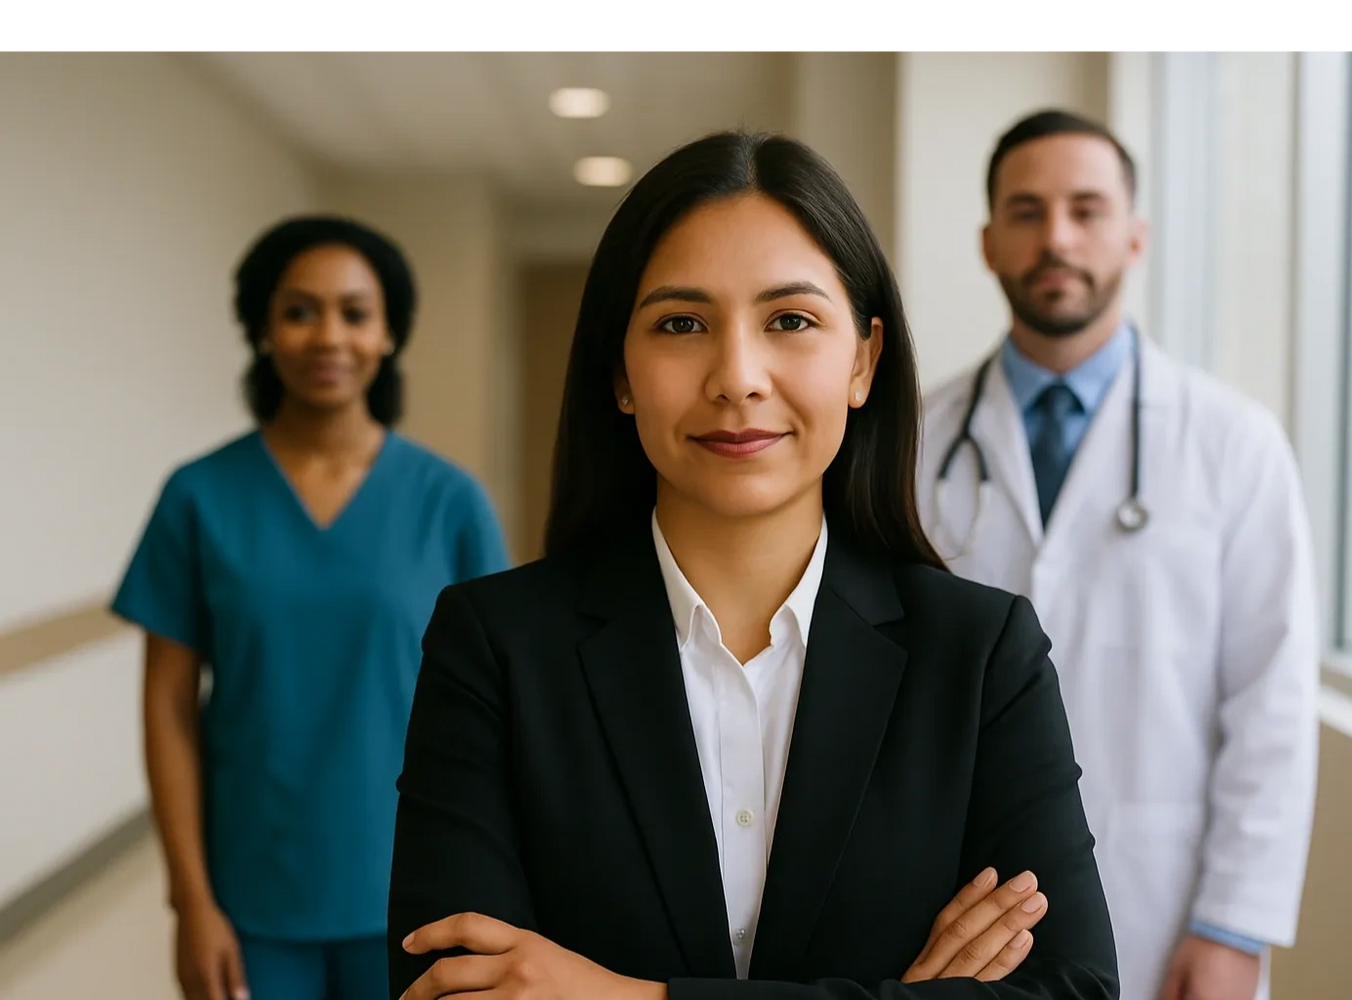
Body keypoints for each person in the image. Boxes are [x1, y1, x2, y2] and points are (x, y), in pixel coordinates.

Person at [386, 131, 1120, 1000]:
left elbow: (1072, 992)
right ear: (619, 373)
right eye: (681, 324)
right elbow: (450, 988)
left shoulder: (981, 652)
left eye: (791, 321)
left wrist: (634, 998)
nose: (737, 376)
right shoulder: (494, 646)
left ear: (863, 360)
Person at [917, 110, 1319, 1000]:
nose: (1056, 237)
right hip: (959, 904)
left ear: (1134, 236)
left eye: (1086, 209)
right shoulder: (912, 441)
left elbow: (1273, 702)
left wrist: (1233, 925)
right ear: (988, 243)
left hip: (1167, 902)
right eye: (1026, 212)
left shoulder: (1235, 444)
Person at [112, 216, 511, 1000]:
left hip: (419, 890)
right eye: (300, 311)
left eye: (355, 312)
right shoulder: (198, 498)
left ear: (388, 333)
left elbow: (499, 714)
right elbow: (167, 708)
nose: (329, 335)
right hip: (252, 896)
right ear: (263, 328)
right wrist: (190, 901)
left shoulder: (451, 502)